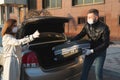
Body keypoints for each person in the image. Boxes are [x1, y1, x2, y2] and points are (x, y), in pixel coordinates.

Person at [70, 9, 110, 80]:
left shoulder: (104, 28)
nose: (88, 19)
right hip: (89, 51)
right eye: (87, 17)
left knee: (98, 73)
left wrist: (92, 51)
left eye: (90, 17)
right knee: (84, 71)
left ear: (96, 17)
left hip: (100, 52)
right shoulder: (87, 25)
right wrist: (71, 41)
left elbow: (106, 44)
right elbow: (81, 34)